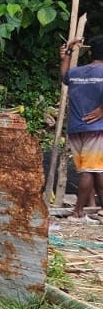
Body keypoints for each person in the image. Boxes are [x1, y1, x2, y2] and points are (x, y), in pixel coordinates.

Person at [61, 35, 103, 221]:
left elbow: (64, 76)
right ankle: (78, 211)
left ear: (91, 52)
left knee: (94, 169)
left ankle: (95, 208)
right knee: (91, 170)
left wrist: (68, 52)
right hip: (96, 128)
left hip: (76, 128)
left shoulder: (77, 72)